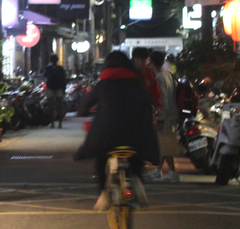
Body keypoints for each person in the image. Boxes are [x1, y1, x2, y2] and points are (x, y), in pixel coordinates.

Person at [74, 51, 161, 212]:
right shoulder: (137, 83)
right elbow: (147, 105)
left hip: (107, 136)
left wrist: (83, 111)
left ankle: (103, 194)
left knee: (101, 160)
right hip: (134, 135)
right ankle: (137, 182)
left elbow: (86, 105)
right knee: (137, 157)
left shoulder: (103, 84)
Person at [149, 48, 182, 183]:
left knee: (165, 144)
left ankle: (172, 172)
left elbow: (164, 101)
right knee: (164, 144)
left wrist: (160, 118)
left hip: (166, 116)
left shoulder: (159, 78)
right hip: (172, 115)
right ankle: (158, 171)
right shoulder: (168, 75)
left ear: (151, 63)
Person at [43, 55, 68, 128]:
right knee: (59, 106)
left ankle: (52, 123)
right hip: (58, 88)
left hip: (50, 88)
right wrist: (63, 89)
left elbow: (44, 76)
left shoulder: (48, 68)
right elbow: (64, 79)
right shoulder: (60, 69)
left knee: (51, 107)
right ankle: (60, 123)